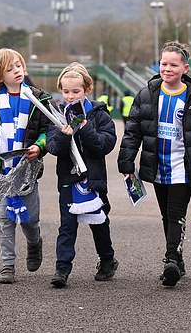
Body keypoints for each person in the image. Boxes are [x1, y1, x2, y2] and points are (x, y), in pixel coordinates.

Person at [118, 41, 191, 288]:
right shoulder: (146, 95)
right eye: (164, 63)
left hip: (183, 168)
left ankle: (171, 259)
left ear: (185, 68)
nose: (167, 68)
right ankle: (178, 255)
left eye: (173, 64)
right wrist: (126, 161)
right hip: (157, 167)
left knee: (176, 213)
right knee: (166, 215)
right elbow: (133, 131)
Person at [0, 48, 51, 284]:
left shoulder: (37, 97)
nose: (16, 70)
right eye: (9, 68)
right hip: (2, 168)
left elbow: (48, 130)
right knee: (4, 218)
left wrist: (40, 146)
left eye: (18, 65)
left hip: (27, 168)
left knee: (29, 218)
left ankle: (34, 242)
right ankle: (7, 263)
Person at [46, 62, 118, 288]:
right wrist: (64, 135)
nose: (70, 96)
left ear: (87, 89)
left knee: (99, 222)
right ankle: (62, 268)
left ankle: (107, 259)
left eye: (75, 91)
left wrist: (86, 127)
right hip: (68, 179)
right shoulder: (57, 115)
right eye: (65, 91)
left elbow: (105, 145)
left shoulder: (100, 114)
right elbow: (53, 147)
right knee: (67, 225)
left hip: (94, 179)